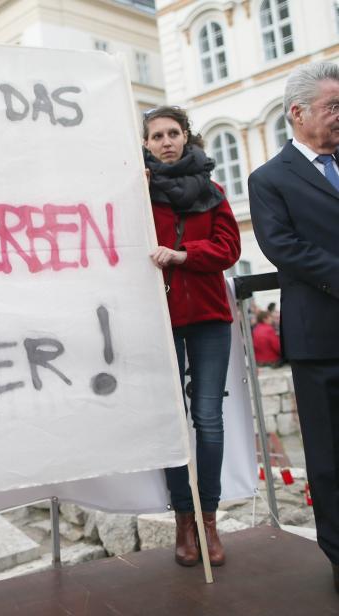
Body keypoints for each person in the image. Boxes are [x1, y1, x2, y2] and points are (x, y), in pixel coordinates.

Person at [248, 60, 339, 594]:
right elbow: (283, 248)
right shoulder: (270, 179)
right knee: (328, 460)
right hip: (320, 339)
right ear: (297, 113)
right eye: (333, 107)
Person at [143, 106, 241, 567]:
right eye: (157, 135)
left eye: (173, 132)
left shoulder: (214, 190)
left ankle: (208, 519)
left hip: (208, 316)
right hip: (159, 318)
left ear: (186, 137)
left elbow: (229, 248)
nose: (166, 141)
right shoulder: (139, 195)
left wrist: (183, 255)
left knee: (208, 417)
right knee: (172, 421)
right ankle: (183, 518)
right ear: (146, 144)